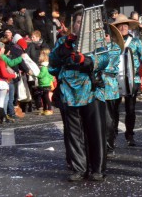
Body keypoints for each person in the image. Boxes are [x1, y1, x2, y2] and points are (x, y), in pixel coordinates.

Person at [49, 10, 110, 182]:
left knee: (95, 132)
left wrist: (87, 61)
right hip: (69, 93)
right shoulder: (63, 41)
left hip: (91, 91)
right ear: (72, 24)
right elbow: (52, 66)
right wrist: (64, 50)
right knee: (73, 133)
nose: (80, 26)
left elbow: (105, 60)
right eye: (77, 22)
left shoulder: (97, 41)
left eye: (84, 23)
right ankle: (78, 168)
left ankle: (97, 168)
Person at [109, 14, 142, 146]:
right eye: (120, 25)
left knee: (130, 108)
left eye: (125, 25)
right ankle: (113, 133)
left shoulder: (135, 42)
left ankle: (130, 134)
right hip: (114, 79)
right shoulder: (112, 43)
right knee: (114, 109)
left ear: (128, 27)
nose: (123, 27)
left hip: (132, 79)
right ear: (116, 28)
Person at [0, 43, 17, 124]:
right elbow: (4, 74)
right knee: (1, 102)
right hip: (1, 83)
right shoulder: (0, 62)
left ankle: (0, 118)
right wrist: (14, 75)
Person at [36, 48, 54, 116]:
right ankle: (45, 109)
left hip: (44, 84)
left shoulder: (43, 67)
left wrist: (36, 74)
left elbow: (41, 75)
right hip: (46, 84)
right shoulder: (47, 66)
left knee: (45, 97)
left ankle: (49, 109)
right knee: (44, 97)